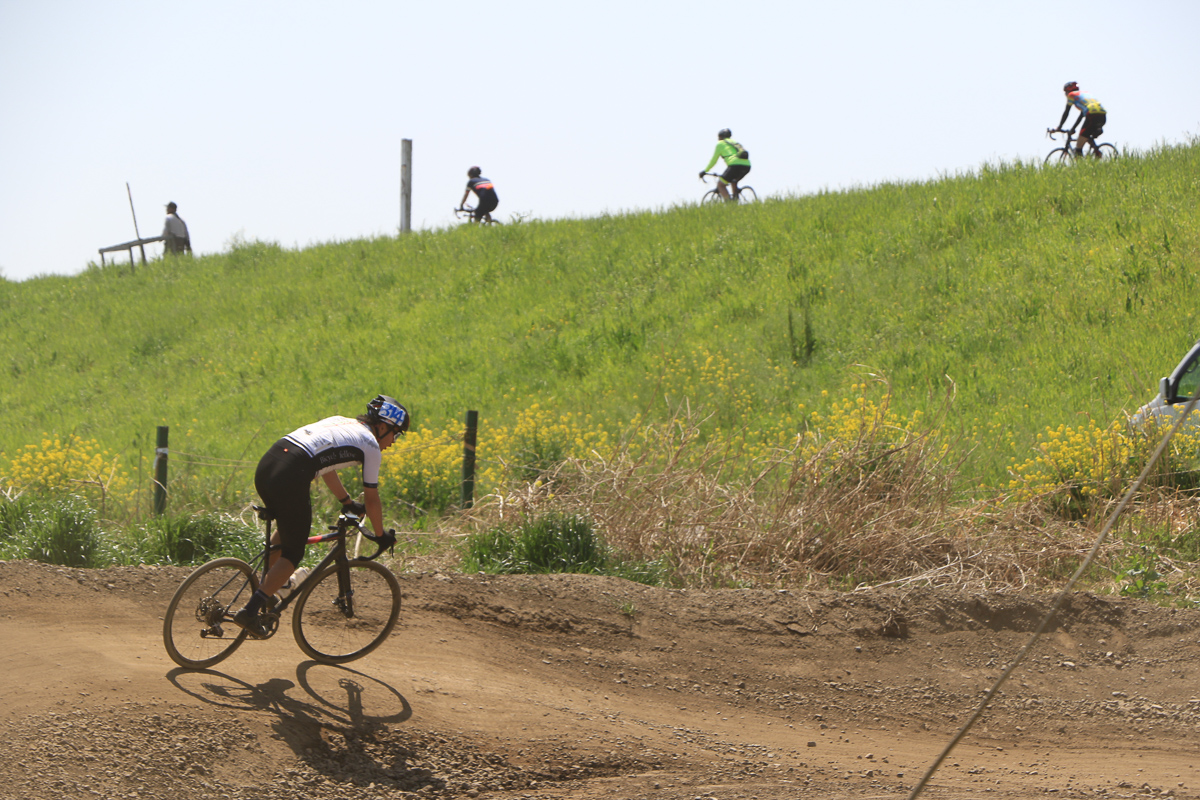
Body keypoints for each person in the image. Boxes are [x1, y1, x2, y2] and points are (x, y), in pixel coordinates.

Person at [232, 394, 409, 638]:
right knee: (293, 553)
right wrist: (379, 536)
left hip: (269, 465)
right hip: (291, 474)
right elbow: (372, 498)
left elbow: (327, 468)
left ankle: (274, 588)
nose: (393, 441)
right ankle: (250, 612)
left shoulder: (341, 422)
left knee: (287, 531)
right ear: (382, 426)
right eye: (396, 434)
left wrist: (346, 501)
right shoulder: (370, 444)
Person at [1056, 81, 1108, 158]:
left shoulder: (1071, 95)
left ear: (1068, 91)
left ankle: (1081, 165)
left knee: (1078, 147)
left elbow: (1066, 112)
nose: (1065, 95)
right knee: (1086, 136)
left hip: (1092, 115)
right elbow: (1081, 116)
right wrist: (1073, 128)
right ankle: (1097, 153)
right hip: (1102, 115)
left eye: (1065, 92)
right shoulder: (1085, 94)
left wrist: (1059, 127)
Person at [699, 129, 752, 201]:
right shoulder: (735, 142)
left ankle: (730, 204)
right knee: (733, 181)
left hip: (734, 165)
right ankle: (735, 199)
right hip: (747, 165)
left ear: (720, 137)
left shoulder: (720, 144)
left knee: (721, 185)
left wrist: (705, 171)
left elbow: (713, 160)